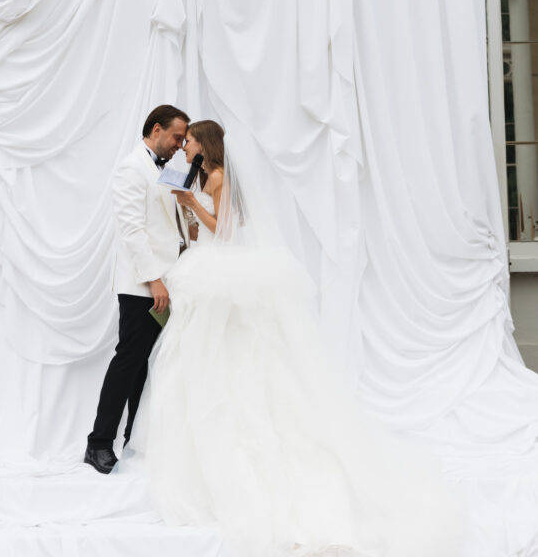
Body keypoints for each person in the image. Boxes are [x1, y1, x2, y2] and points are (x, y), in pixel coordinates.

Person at [130, 120, 464, 557]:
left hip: (221, 268)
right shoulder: (204, 176)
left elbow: (227, 228)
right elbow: (210, 227)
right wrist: (191, 214)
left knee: (228, 353)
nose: (185, 145)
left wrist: (192, 201)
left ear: (204, 144)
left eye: (190, 140)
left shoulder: (217, 176)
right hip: (208, 262)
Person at [84, 103, 190, 475]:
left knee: (148, 367)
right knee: (128, 362)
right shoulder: (132, 168)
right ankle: (98, 442)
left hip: (166, 284)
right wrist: (154, 279)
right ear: (156, 129)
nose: (180, 145)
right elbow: (132, 230)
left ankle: (133, 438)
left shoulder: (168, 170)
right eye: (177, 137)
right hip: (141, 286)